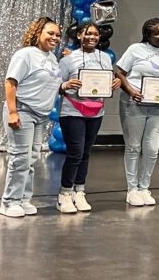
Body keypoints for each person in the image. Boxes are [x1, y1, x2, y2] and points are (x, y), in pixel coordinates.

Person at [0, 17, 62, 218]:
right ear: (38, 33)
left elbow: (48, 83)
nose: (55, 37)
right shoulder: (25, 54)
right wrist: (13, 112)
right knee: (20, 158)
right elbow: (10, 82)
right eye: (50, 33)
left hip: (41, 115)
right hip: (22, 111)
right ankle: (9, 202)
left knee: (32, 158)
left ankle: (23, 199)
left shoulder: (52, 58)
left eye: (58, 35)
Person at [56, 20, 120, 213]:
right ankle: (65, 194)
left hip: (96, 111)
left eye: (95, 34)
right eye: (88, 33)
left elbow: (106, 82)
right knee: (75, 152)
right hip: (72, 111)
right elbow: (56, 85)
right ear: (79, 36)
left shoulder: (105, 58)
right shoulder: (68, 60)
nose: (92, 37)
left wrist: (113, 84)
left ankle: (79, 191)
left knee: (85, 153)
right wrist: (65, 85)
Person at [115, 18, 159, 207]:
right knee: (134, 147)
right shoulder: (136, 49)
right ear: (147, 35)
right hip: (133, 104)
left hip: (156, 107)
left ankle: (144, 188)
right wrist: (131, 91)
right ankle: (132, 190)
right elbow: (119, 72)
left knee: (152, 149)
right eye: (157, 33)